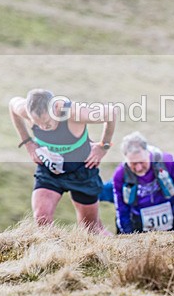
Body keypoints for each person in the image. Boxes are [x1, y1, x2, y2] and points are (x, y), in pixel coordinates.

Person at [9, 89, 116, 234]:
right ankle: (55, 254)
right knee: (42, 219)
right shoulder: (24, 110)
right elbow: (12, 105)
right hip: (50, 169)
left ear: (56, 109)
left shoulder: (75, 113)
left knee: (91, 229)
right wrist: (28, 143)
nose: (42, 128)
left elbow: (111, 112)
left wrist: (103, 146)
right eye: (36, 123)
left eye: (46, 123)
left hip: (81, 169)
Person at [100, 132, 174, 233]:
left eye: (142, 162)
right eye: (133, 164)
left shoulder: (168, 162)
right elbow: (122, 211)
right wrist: (129, 237)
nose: (139, 168)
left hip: (173, 223)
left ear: (147, 153)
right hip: (138, 227)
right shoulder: (120, 175)